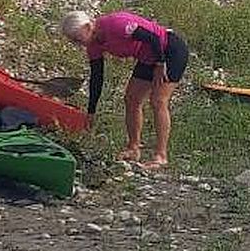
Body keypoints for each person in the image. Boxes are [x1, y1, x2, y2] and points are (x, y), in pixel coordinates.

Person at [60, 10, 190, 168]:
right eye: (73, 41)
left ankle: (161, 156)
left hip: (168, 50)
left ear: (88, 27)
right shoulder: (93, 45)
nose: (77, 43)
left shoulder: (116, 25)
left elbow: (152, 38)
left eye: (77, 38)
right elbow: (97, 76)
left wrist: (160, 64)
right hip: (147, 57)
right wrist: (91, 111)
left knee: (158, 101)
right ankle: (133, 148)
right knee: (132, 99)